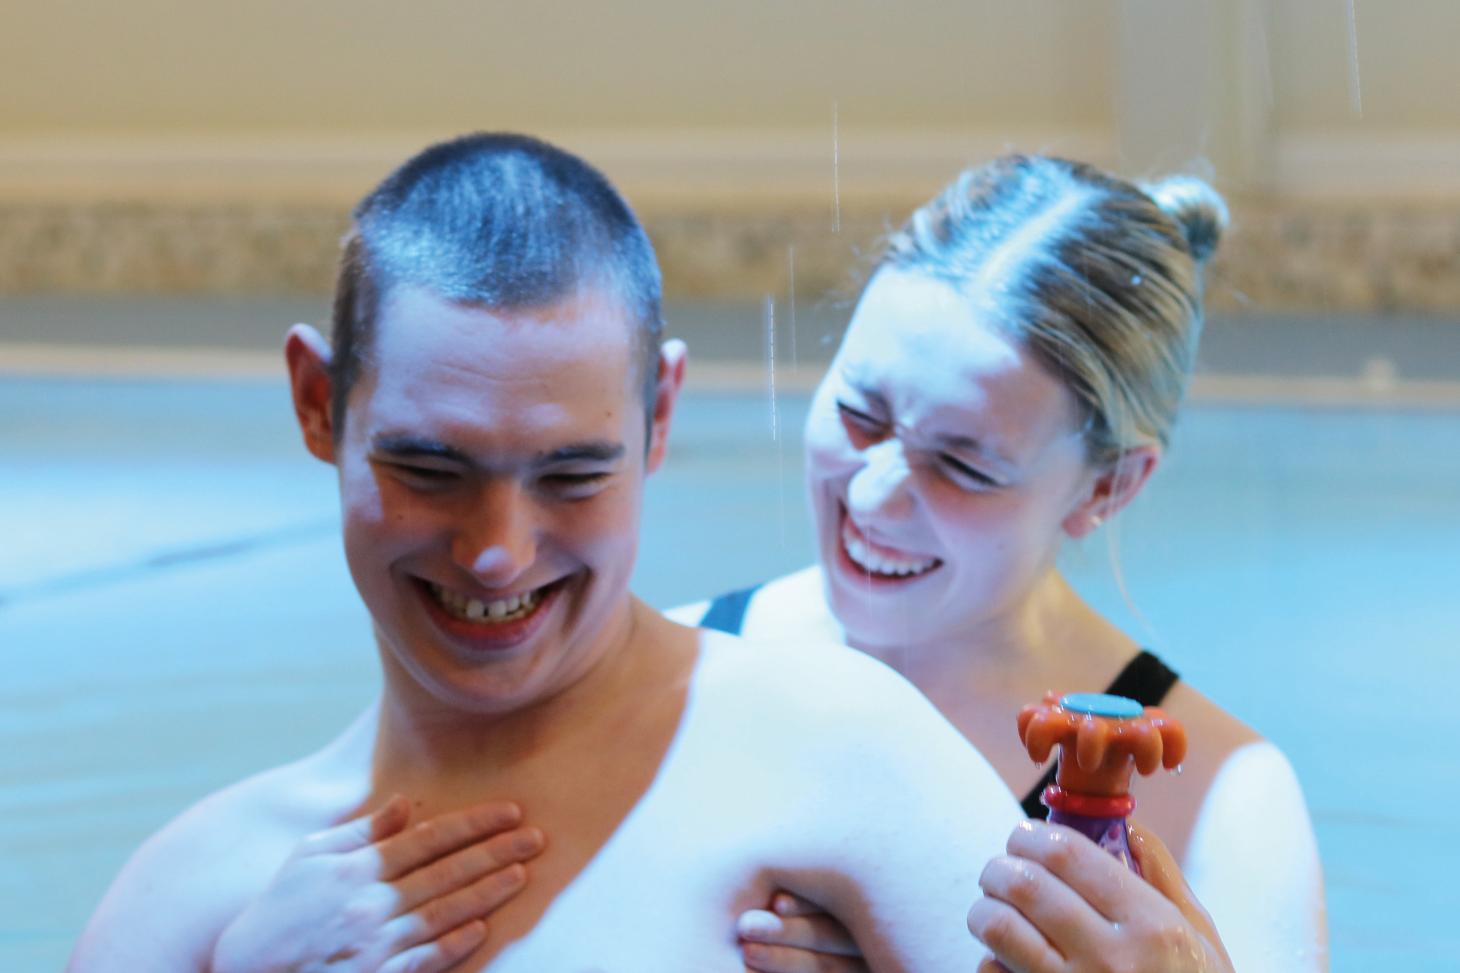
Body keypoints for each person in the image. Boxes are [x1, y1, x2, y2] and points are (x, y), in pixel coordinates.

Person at [66, 133, 1029, 972]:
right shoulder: (199, 894)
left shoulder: (835, 750)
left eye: (570, 478)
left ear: (659, 415)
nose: (496, 553)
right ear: (320, 403)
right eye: (430, 470)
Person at [671, 156, 1327, 972]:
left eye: (966, 466)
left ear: (1110, 485)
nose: (873, 497)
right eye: (858, 412)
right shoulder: (661, 670)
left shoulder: (1223, 808)